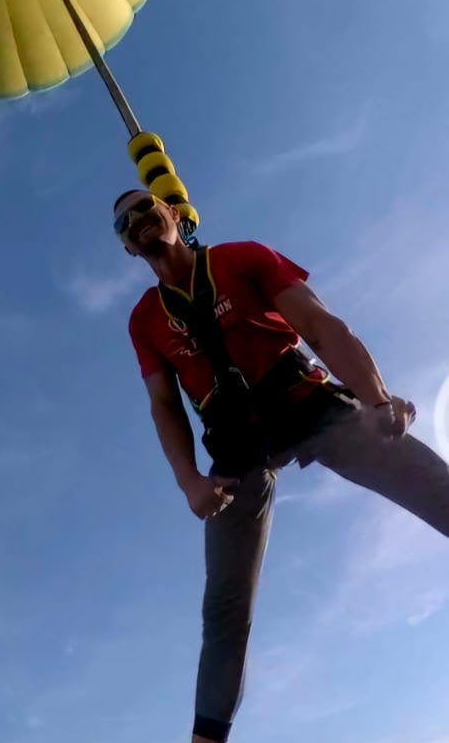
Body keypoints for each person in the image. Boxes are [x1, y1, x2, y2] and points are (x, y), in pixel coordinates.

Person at [114, 189, 449, 743]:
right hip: (234, 446)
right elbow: (164, 404)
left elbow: (321, 326)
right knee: (225, 607)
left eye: (147, 207)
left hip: (306, 403)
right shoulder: (145, 319)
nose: (139, 221)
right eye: (126, 223)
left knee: (431, 483)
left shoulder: (240, 257)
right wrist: (190, 482)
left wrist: (376, 399)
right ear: (128, 247)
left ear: (173, 213)